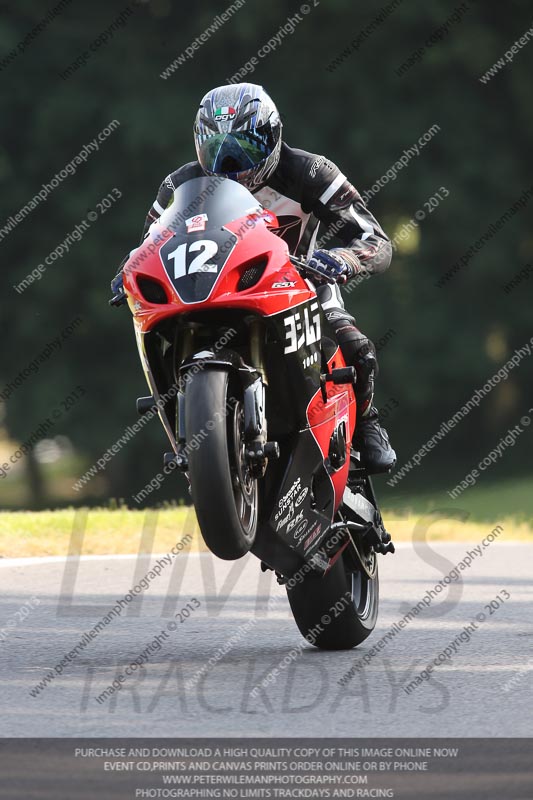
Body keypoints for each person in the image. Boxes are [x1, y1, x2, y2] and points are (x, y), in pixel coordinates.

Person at [111, 83, 396, 473]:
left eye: (243, 147)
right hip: (211, 288)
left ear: (273, 136)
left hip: (300, 283)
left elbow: (375, 239)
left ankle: (367, 423)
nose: (231, 163)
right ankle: (190, 427)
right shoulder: (178, 185)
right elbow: (147, 243)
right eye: (218, 151)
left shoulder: (311, 171)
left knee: (356, 349)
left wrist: (345, 257)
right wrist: (126, 273)